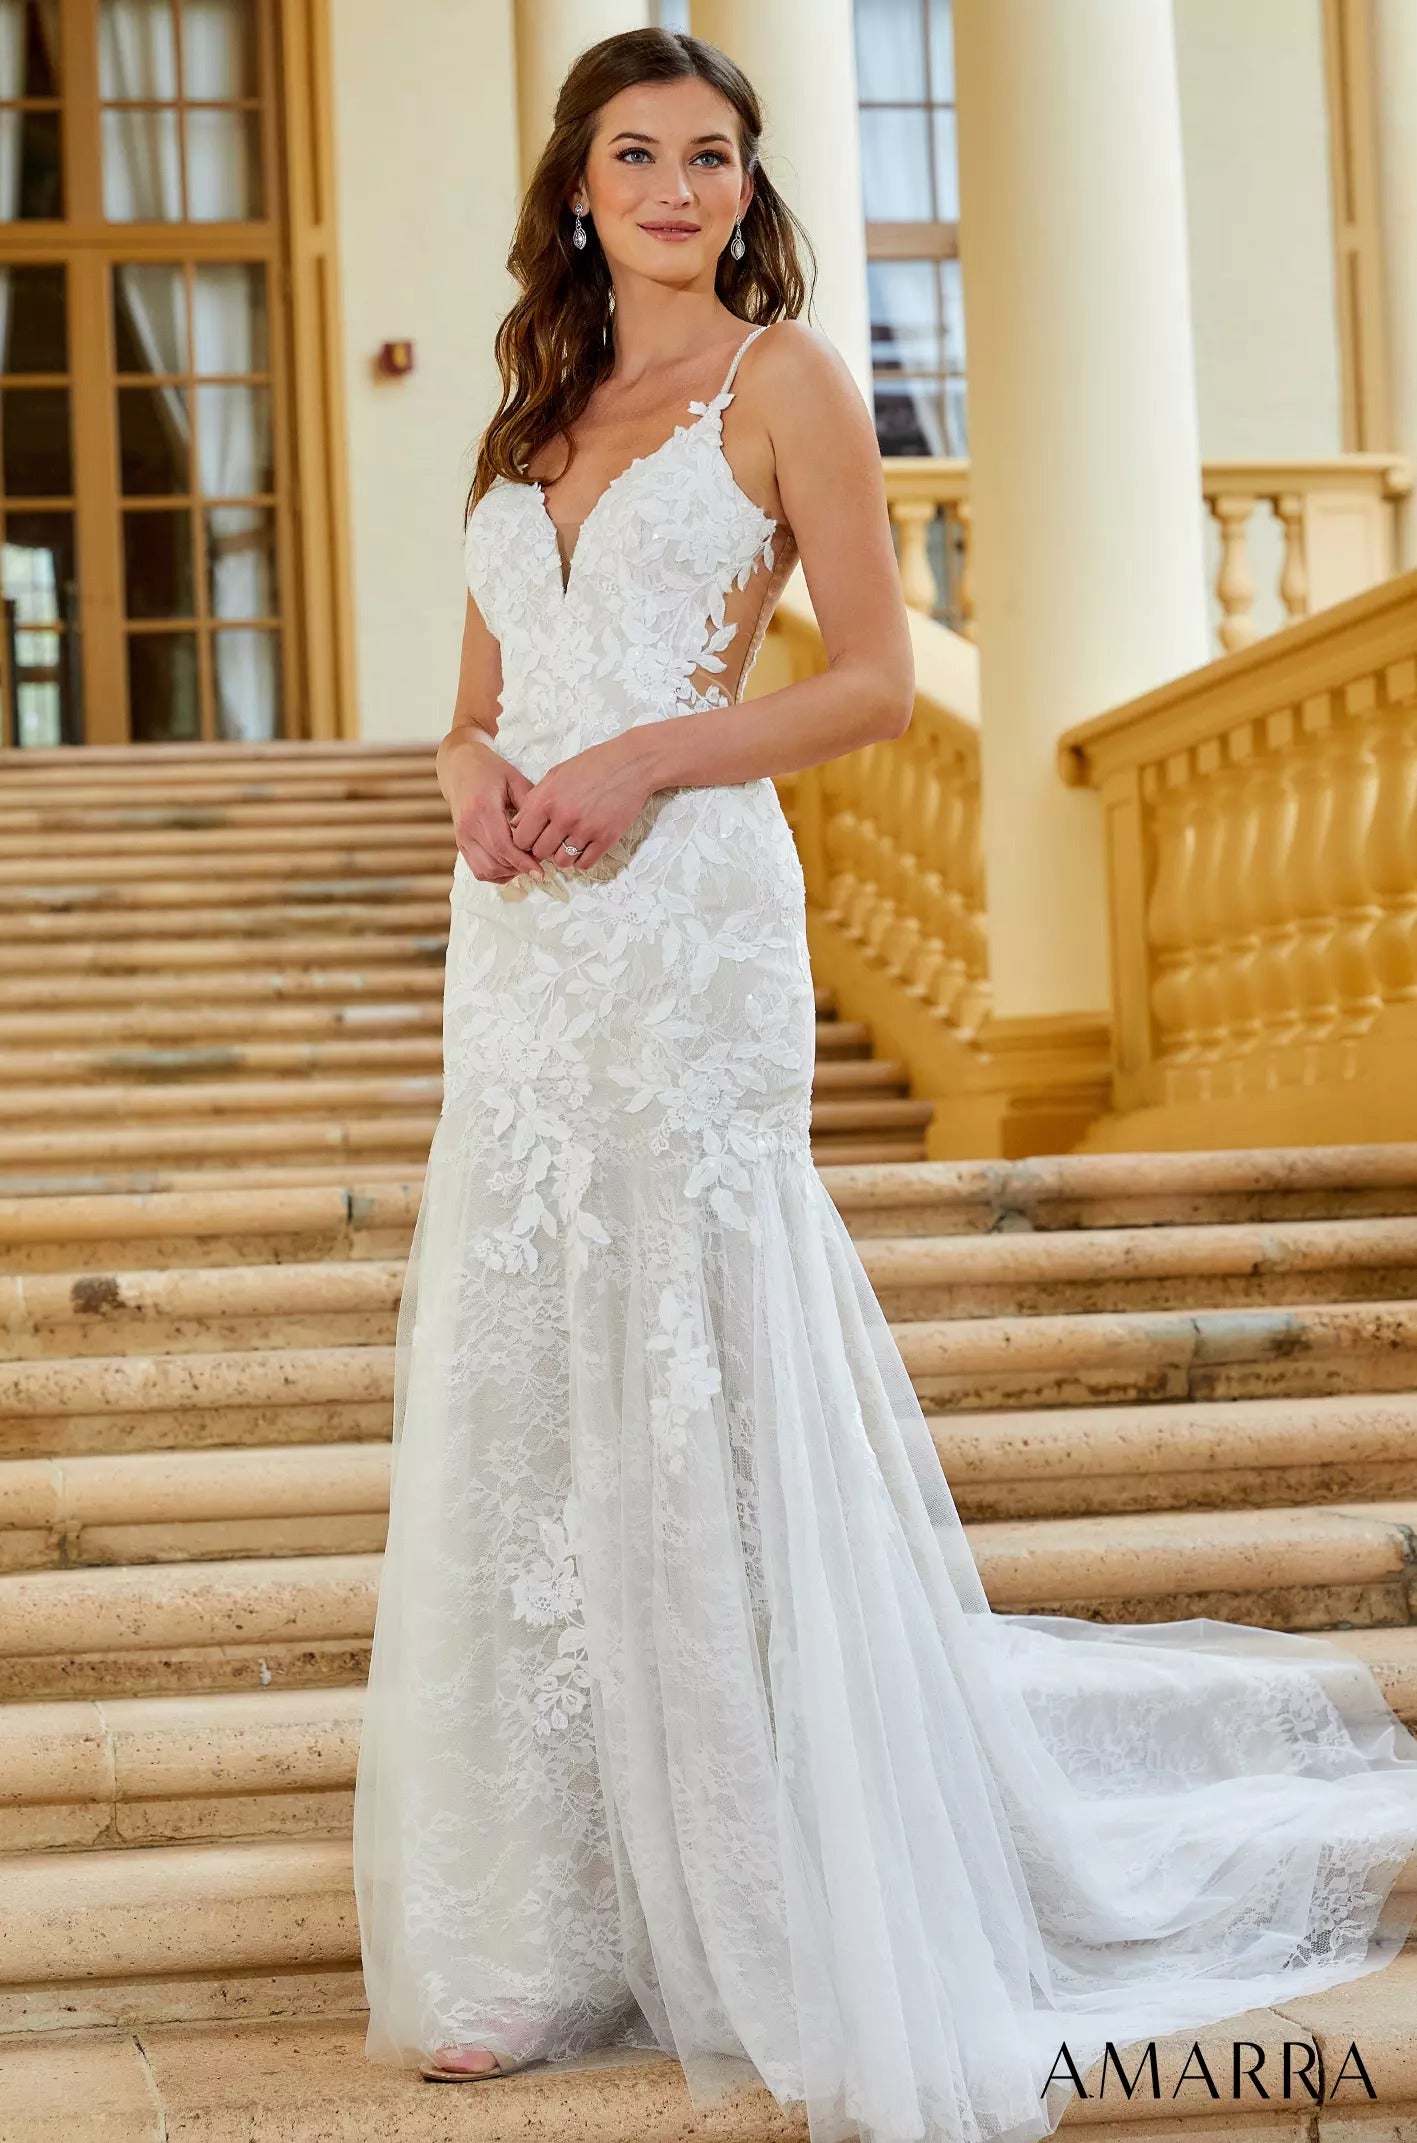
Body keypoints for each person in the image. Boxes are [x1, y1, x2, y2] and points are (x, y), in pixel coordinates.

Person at [352, 28, 1417, 2143]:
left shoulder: (788, 387)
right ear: (578, 190)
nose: (676, 187)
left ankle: (776, 1900)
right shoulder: (527, 414)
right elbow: (473, 701)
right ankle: (535, 1926)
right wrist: (471, 780)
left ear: (746, 189)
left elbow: (862, 681)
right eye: (635, 153)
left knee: (698, 1362)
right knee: (527, 1374)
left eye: (711, 155)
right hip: (530, 948)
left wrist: (643, 757)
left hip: (686, 927)